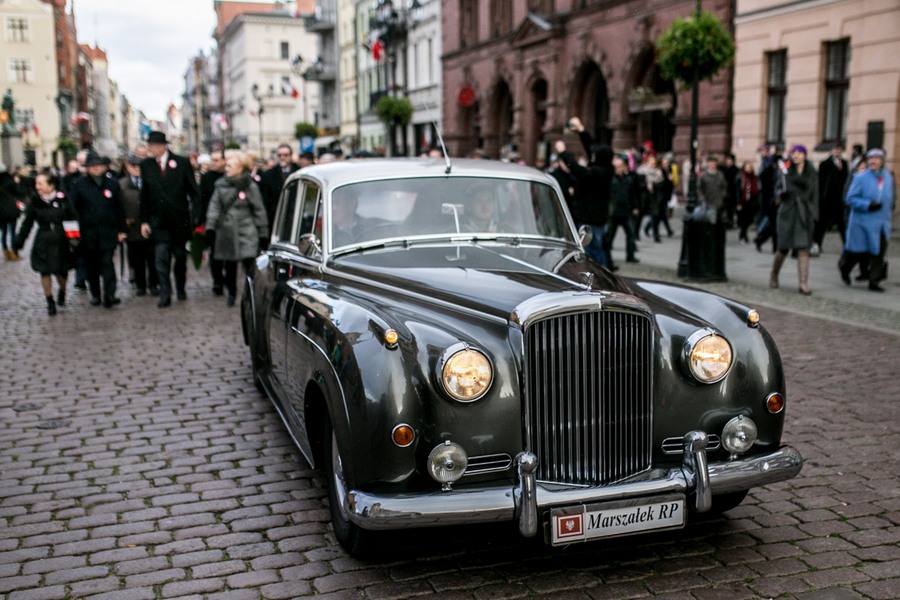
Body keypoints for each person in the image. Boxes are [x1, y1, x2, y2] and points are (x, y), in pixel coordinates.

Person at [139, 130, 201, 308]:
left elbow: (194, 191)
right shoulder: (146, 165)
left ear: (162, 146)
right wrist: (144, 221)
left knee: (180, 257)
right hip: (158, 221)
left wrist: (195, 216)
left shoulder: (181, 162)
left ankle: (180, 287)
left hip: (179, 220)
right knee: (160, 258)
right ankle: (165, 293)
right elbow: (144, 195)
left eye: (152, 146)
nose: (150, 149)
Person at [204, 151, 268, 306]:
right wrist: (210, 227)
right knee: (230, 265)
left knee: (250, 264)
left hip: (247, 230)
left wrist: (263, 233)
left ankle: (251, 293)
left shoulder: (250, 186)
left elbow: (258, 210)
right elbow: (214, 207)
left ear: (240, 167)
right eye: (226, 165)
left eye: (230, 166)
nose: (226, 168)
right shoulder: (220, 185)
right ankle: (231, 293)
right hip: (227, 230)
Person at [12, 171, 78, 315]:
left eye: (40, 184)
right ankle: (50, 301)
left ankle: (62, 290)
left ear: (51, 185)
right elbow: (27, 224)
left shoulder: (63, 199)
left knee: (61, 272)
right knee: (44, 271)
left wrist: (74, 240)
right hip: (43, 241)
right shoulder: (35, 202)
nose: (37, 187)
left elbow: (72, 218)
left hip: (61, 240)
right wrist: (19, 242)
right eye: (36, 183)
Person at [70, 152, 127, 307]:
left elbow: (120, 208)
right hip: (88, 233)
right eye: (92, 166)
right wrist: (73, 234)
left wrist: (122, 230)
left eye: (99, 165)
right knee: (92, 266)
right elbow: (72, 209)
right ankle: (95, 294)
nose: (96, 168)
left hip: (108, 231)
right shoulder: (79, 184)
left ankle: (110, 295)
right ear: (87, 168)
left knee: (107, 263)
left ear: (103, 167)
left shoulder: (112, 184)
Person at [558, 117, 614, 268]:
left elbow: (576, 169)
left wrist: (563, 153)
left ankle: (595, 272)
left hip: (591, 218)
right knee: (593, 247)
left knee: (591, 250)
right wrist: (581, 131)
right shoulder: (605, 168)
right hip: (593, 217)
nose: (592, 155)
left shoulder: (598, 173)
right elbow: (591, 148)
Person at [840, 148, 894, 292]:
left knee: (879, 252)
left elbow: (890, 196)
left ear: (882, 161)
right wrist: (867, 205)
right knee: (858, 253)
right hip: (863, 222)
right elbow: (850, 198)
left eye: (876, 158)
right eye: (871, 158)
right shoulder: (861, 177)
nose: (873, 161)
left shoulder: (888, 177)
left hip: (881, 222)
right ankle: (845, 268)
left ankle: (874, 281)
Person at [769, 145, 818, 295]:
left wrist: (814, 213)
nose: (796, 155)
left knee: (803, 248)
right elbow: (777, 188)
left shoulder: (811, 171)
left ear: (804, 155)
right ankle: (774, 274)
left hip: (804, 212)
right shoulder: (785, 170)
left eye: (799, 153)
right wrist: (780, 194)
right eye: (794, 153)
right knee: (783, 248)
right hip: (787, 211)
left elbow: (815, 194)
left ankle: (803, 283)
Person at [120, 153, 157, 296]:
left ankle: (153, 284)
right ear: (128, 167)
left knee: (152, 258)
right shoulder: (122, 184)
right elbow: (118, 205)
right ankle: (140, 285)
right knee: (137, 259)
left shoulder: (151, 181)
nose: (137, 168)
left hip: (150, 226)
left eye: (139, 166)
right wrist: (123, 221)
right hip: (132, 228)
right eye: (133, 166)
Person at [813, 142, 849, 256]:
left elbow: (845, 180)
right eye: (835, 149)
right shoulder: (825, 164)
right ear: (832, 150)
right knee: (822, 224)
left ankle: (847, 246)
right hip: (827, 199)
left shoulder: (844, 163)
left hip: (839, 199)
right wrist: (821, 197)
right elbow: (821, 181)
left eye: (839, 149)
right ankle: (817, 243)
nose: (837, 151)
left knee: (842, 224)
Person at [199, 150, 226, 295]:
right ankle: (217, 281)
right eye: (212, 160)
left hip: (229, 220)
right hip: (212, 220)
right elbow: (202, 199)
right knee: (215, 253)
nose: (213, 163)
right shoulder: (207, 177)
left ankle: (228, 279)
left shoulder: (229, 175)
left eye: (216, 160)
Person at [606, 154, 639, 263]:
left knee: (631, 234)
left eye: (621, 166)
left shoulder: (628, 179)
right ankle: (607, 258)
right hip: (614, 212)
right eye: (617, 167)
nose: (619, 169)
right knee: (609, 236)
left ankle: (630, 256)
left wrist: (635, 207)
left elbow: (632, 194)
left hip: (626, 211)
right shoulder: (611, 179)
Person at [260, 144, 299, 230]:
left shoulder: (299, 172)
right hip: (276, 217)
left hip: (295, 215)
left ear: (291, 156)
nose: (282, 157)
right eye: (280, 155)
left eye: (285, 155)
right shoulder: (269, 174)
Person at [637, 153, 665, 242]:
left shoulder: (658, 172)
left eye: (653, 161)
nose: (652, 162)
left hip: (654, 198)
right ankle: (635, 233)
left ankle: (656, 235)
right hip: (644, 197)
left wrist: (654, 184)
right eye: (650, 161)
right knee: (640, 216)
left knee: (655, 216)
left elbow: (661, 185)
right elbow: (638, 185)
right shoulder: (642, 171)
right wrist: (646, 185)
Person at [0, 162, 24, 261]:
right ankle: (14, 252)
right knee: (13, 232)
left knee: (4, 232)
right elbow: (19, 192)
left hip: (0, 211)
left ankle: (5, 251)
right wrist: (17, 182)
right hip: (10, 209)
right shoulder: (10, 181)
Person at [736, 161, 759, 243]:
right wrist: (738, 202)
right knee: (743, 220)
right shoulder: (741, 177)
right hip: (743, 201)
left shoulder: (754, 178)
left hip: (751, 201)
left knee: (749, 219)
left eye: (750, 167)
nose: (748, 169)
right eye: (747, 168)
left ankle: (742, 233)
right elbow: (737, 191)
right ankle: (744, 235)